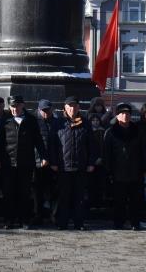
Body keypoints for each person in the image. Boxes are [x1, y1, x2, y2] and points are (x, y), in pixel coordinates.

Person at [0, 95, 46, 229]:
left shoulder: (31, 121)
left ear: (23, 105)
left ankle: (24, 219)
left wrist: (43, 157)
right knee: (8, 192)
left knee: (24, 192)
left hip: (26, 163)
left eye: (17, 106)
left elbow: (38, 140)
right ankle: (8, 220)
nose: (14, 109)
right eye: (12, 106)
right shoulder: (5, 121)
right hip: (8, 163)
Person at [50, 96, 96, 230]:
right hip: (63, 167)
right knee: (64, 197)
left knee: (79, 197)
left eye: (74, 106)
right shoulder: (58, 123)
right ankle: (62, 222)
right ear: (65, 108)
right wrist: (53, 161)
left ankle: (79, 223)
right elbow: (52, 144)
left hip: (80, 167)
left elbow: (92, 145)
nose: (72, 109)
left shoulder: (85, 123)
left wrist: (91, 162)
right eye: (69, 106)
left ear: (78, 108)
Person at [102, 102, 145, 230]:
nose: (125, 116)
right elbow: (106, 153)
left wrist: (143, 168)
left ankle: (135, 222)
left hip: (135, 172)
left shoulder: (137, 131)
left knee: (135, 200)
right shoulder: (110, 132)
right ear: (117, 116)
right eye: (122, 113)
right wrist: (108, 170)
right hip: (117, 172)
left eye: (127, 113)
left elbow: (143, 150)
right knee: (118, 200)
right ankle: (118, 222)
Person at [33, 98, 59, 225]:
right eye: (43, 110)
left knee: (53, 191)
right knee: (37, 191)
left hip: (53, 163)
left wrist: (52, 160)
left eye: (48, 110)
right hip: (38, 162)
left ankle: (52, 214)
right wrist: (41, 158)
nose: (46, 113)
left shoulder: (57, 122)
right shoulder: (34, 122)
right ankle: (38, 215)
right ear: (39, 110)